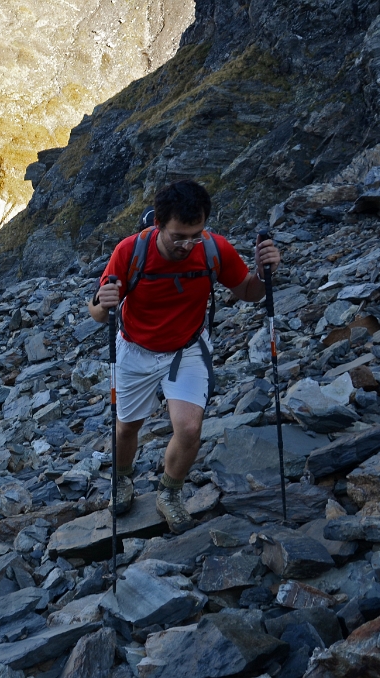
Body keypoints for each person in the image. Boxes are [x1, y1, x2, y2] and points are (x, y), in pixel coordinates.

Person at [88, 180, 281, 534]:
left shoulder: (213, 250)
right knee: (127, 427)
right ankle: (122, 477)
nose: (188, 244)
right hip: (135, 348)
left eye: (195, 233)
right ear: (158, 224)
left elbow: (249, 293)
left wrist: (264, 271)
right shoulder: (131, 251)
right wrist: (105, 301)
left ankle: (170, 492)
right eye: (179, 236)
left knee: (190, 428)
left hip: (187, 348)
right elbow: (97, 313)